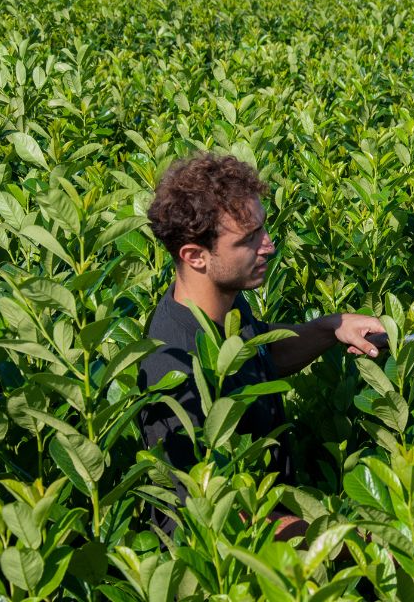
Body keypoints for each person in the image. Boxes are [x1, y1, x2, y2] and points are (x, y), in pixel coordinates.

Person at [138, 153, 383, 535]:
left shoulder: (227, 301)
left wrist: (329, 328)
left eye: (263, 229)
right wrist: (351, 542)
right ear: (194, 256)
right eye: (249, 239)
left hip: (281, 520)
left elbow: (260, 356)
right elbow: (217, 512)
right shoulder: (171, 367)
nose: (268, 246)